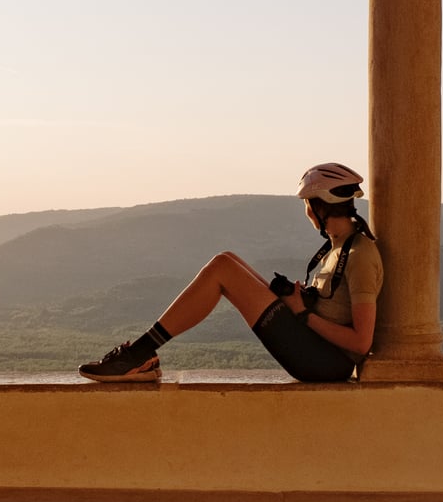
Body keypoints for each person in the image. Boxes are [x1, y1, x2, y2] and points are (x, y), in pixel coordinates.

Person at [78, 162, 382, 384]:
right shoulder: (340, 246)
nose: (306, 212)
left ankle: (139, 355)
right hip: (316, 348)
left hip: (327, 363)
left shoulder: (360, 254)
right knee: (227, 259)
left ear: (319, 207)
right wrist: (299, 300)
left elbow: (361, 343)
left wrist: (303, 313)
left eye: (307, 204)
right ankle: (142, 356)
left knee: (223, 270)